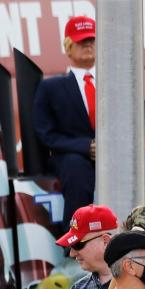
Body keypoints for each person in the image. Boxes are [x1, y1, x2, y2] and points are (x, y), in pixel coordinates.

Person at [32, 16, 97, 224]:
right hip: (74, 157)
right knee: (75, 167)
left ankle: (136, 234)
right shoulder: (51, 88)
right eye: (81, 41)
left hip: (115, 155)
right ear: (68, 47)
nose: (88, 45)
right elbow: (45, 133)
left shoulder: (118, 80)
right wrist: (86, 146)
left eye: (92, 40)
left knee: (140, 163)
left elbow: (141, 118)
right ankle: (77, 243)